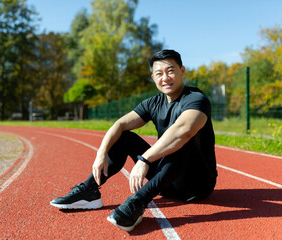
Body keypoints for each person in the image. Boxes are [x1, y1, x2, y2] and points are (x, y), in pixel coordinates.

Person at [50, 49, 218, 232]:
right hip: (166, 182)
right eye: (159, 73)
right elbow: (120, 124)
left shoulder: (196, 99)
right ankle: (90, 190)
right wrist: (101, 153)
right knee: (124, 137)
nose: (165, 78)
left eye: (171, 71)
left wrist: (144, 159)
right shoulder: (153, 103)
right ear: (153, 77)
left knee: (179, 143)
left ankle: (137, 203)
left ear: (182, 71)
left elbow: (183, 131)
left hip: (197, 185)